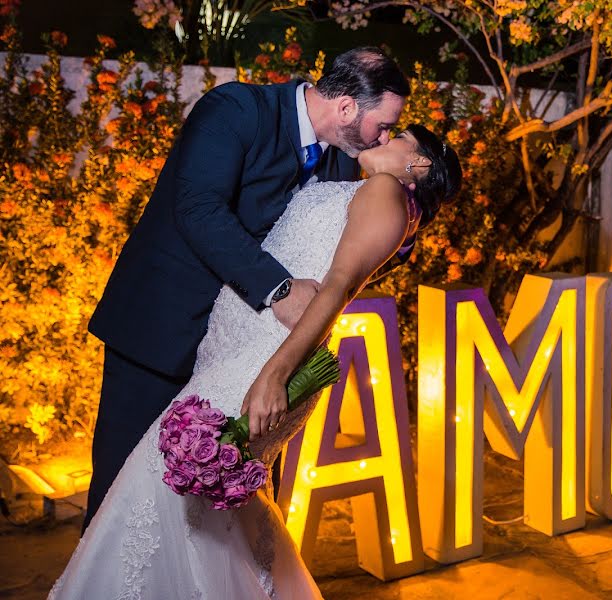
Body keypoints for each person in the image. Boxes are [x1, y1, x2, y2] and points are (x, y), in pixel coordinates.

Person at [50, 124, 463, 599]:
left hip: (257, 365)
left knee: (161, 493)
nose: (383, 137)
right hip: (230, 355)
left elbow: (337, 288)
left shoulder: (388, 192)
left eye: (399, 137)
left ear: (420, 165)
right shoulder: (367, 188)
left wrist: (274, 375)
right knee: (207, 524)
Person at [83, 47, 412, 531]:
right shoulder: (236, 110)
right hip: (161, 333)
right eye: (382, 124)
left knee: (229, 506)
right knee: (119, 494)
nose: (384, 136)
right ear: (346, 108)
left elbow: (351, 252)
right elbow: (198, 210)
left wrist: (412, 204)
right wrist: (279, 290)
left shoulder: (343, 165)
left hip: (241, 362)